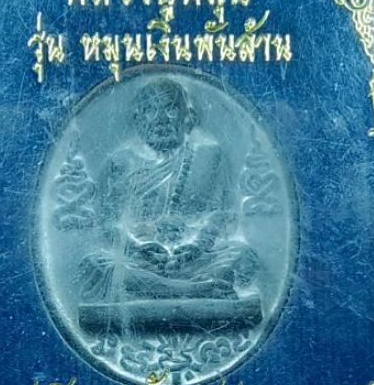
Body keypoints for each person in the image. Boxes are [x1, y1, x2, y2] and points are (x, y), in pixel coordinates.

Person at [77, 78, 260, 329]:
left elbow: (225, 213)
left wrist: (198, 245)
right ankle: (194, 291)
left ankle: (167, 289)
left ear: (188, 118)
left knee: (243, 254)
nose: (160, 119)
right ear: (138, 119)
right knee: (95, 265)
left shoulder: (210, 156)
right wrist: (136, 247)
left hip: (197, 260)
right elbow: (109, 223)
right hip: (141, 262)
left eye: (171, 109)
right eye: (150, 111)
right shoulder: (121, 161)